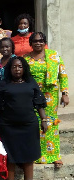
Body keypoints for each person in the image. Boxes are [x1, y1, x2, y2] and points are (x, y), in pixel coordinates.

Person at [0, 56, 48, 180]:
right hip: (8, 125)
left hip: (29, 124)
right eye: (14, 67)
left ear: (24, 68)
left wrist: (44, 120)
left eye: (20, 67)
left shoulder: (31, 83)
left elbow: (39, 103)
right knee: (10, 155)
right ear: (9, 69)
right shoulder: (4, 84)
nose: (17, 69)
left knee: (29, 154)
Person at [24, 32, 69, 168]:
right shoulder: (25, 59)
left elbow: (63, 74)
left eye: (41, 40)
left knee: (50, 122)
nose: (38, 43)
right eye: (35, 41)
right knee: (34, 123)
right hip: (31, 95)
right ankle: (34, 155)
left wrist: (65, 93)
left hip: (50, 95)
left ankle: (54, 155)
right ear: (30, 43)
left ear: (45, 42)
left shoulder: (54, 56)